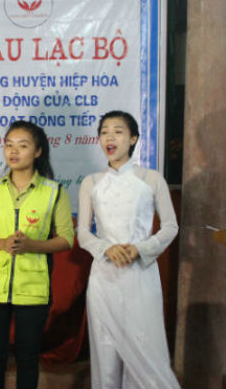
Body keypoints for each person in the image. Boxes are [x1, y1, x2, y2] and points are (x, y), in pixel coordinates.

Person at [0, 120, 74, 389]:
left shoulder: (54, 192)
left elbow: (66, 239)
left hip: (33, 287)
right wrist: (2, 244)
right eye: (8, 145)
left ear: (38, 151)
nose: (13, 151)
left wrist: (32, 246)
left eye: (22, 146)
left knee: (28, 358)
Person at [78, 110, 180, 388]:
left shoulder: (151, 179)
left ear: (133, 138)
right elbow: (83, 232)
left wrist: (140, 249)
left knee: (146, 351)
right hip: (104, 276)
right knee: (105, 353)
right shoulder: (91, 182)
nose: (110, 138)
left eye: (118, 131)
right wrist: (106, 249)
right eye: (104, 132)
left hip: (140, 274)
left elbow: (170, 226)